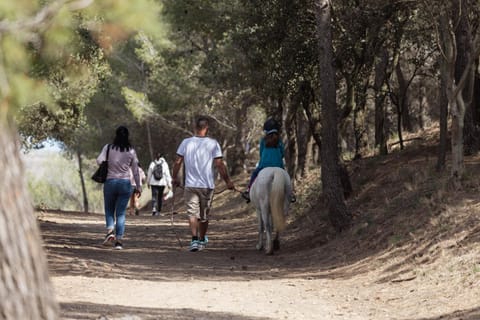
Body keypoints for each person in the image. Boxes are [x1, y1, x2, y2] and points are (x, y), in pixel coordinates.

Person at [172, 116, 235, 252]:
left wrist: (174, 178)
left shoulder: (186, 142)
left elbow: (177, 162)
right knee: (204, 215)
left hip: (190, 185)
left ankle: (194, 240)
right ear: (206, 128)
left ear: (195, 128)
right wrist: (228, 181)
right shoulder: (213, 144)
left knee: (192, 213)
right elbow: (219, 164)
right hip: (207, 185)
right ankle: (201, 239)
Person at [96, 125, 142, 250]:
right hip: (125, 184)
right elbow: (136, 170)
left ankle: (110, 232)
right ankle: (119, 241)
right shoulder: (131, 151)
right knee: (121, 213)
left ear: (115, 135)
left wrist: (109, 163)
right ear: (127, 136)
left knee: (109, 209)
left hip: (110, 182)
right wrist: (139, 186)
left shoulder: (108, 147)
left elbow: (99, 160)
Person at [241, 117, 296, 203]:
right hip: (278, 165)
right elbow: (282, 153)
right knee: (286, 177)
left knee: (254, 174)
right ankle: (290, 194)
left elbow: (261, 153)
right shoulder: (280, 141)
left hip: (264, 165)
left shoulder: (263, 140)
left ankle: (248, 191)